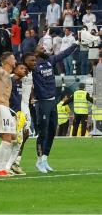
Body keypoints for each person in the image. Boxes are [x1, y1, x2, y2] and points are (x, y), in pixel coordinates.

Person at [33, 42, 79, 173]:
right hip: (42, 102)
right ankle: (39, 160)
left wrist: (75, 45)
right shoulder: (33, 64)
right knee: (43, 132)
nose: (44, 49)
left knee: (52, 130)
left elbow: (63, 54)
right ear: (35, 52)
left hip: (52, 101)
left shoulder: (49, 60)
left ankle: (45, 159)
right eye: (41, 48)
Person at [7, 62, 28, 175]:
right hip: (10, 114)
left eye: (25, 68)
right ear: (14, 69)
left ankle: (11, 165)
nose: (24, 70)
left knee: (19, 141)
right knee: (12, 141)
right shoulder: (10, 80)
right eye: (21, 68)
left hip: (18, 114)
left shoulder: (19, 82)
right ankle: (6, 166)